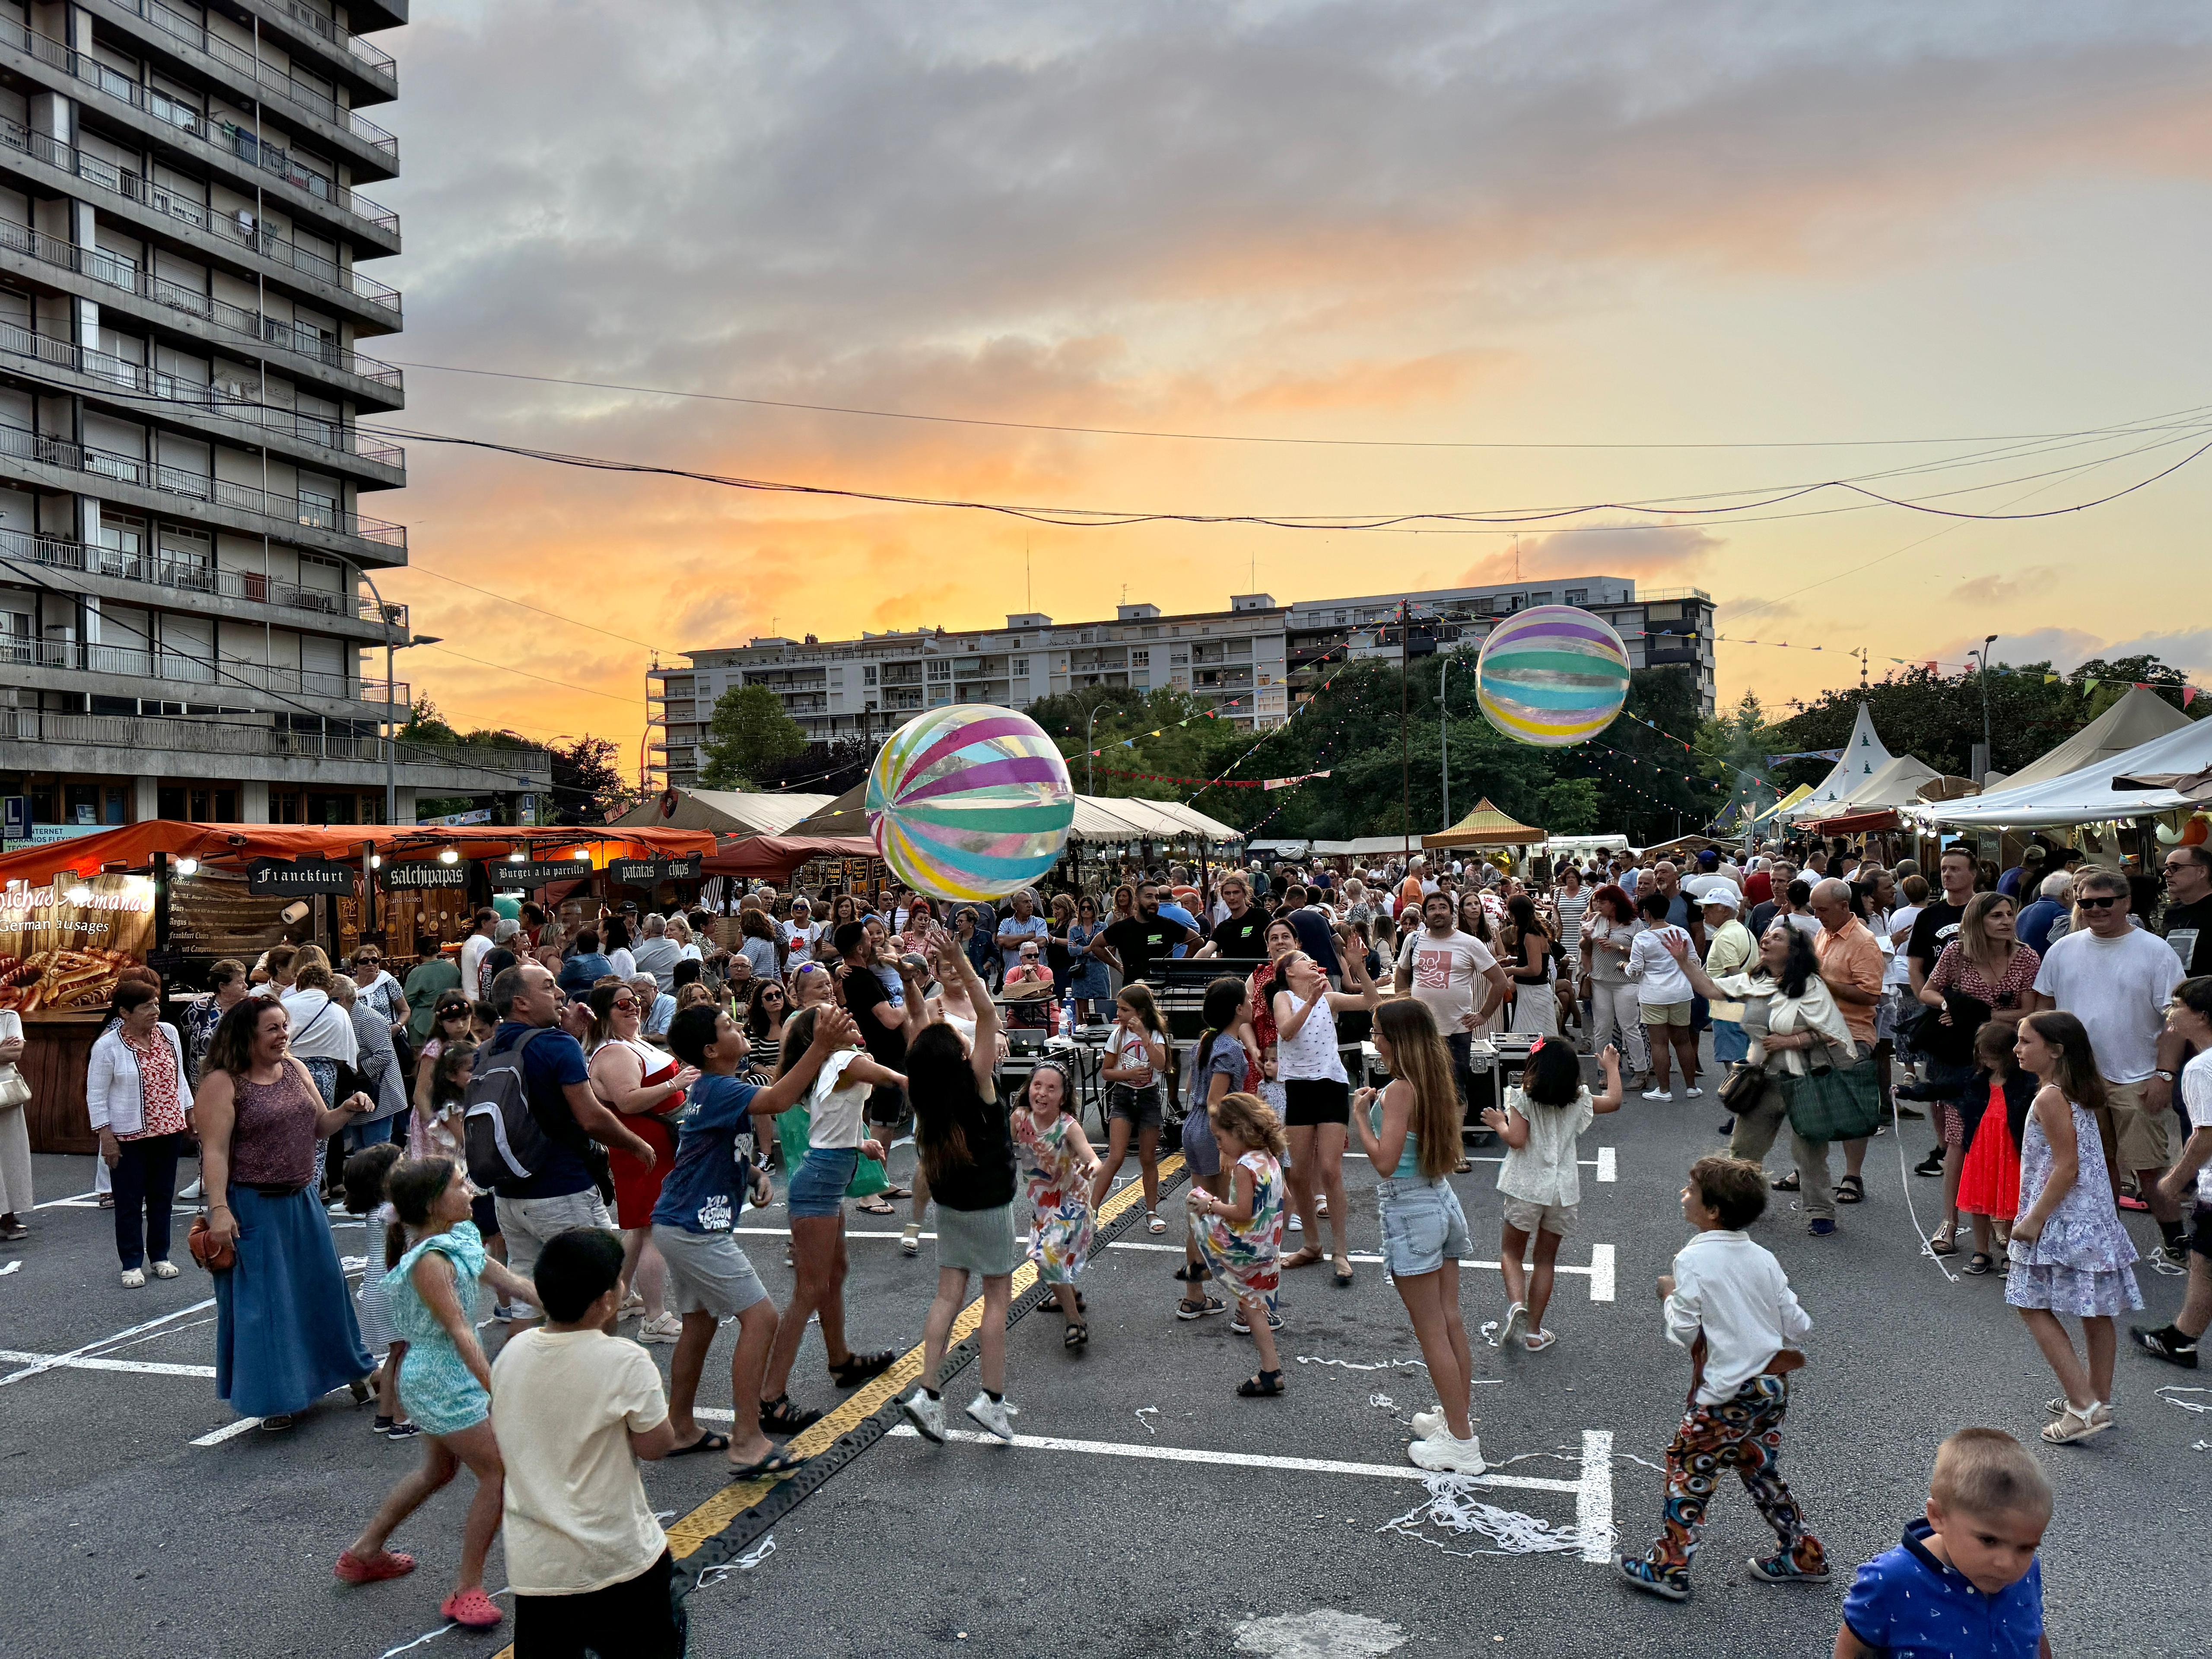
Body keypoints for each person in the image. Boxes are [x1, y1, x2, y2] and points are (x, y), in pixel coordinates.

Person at [337, 1156, 539, 1632]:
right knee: (498, 1471)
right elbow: (461, 1334)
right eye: (458, 1184)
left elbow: (511, 1283)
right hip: (439, 1377)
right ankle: (466, 1588)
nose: (470, 1190)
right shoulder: (430, 1261)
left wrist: (575, 1302)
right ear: (433, 1204)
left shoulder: (459, 1239)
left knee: (437, 1470)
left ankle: (365, 1552)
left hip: (442, 1373)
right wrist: (496, 1389)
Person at [653, 1001, 850, 1474]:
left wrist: (752, 1174)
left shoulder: (715, 1087)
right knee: (760, 1318)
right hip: (695, 1228)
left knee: (698, 1324)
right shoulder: (720, 1086)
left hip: (679, 1222)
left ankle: (680, 1426)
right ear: (710, 1049)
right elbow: (779, 1099)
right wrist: (820, 1046)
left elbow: (707, 1149)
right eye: (726, 1025)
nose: (737, 1026)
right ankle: (746, 1439)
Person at [1619, 1156, 1825, 1602]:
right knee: (1756, 1465)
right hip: (1770, 1384)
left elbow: (1682, 1331)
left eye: (1690, 1190)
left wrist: (1669, 1293)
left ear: (1712, 1211)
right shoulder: (1763, 1258)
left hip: (1726, 1391)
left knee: (1686, 1467)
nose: (1683, 1195)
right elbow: (1798, 1323)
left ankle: (1668, 1566)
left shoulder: (1692, 1259)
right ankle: (1802, 1553)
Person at [492, 1228, 687, 1659]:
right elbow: (656, 1445)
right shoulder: (625, 1361)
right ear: (605, 1302)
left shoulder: (513, 1352)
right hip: (618, 1559)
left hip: (538, 1567)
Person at [194, 997, 376, 1431]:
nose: (283, 1036)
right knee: (268, 1306)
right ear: (247, 1037)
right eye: (272, 1029)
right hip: (254, 1205)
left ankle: (350, 1371)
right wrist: (219, 1209)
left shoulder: (295, 1069)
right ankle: (278, 1397)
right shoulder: (223, 1083)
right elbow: (214, 1152)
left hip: (303, 1199)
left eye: (284, 1027)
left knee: (323, 1291)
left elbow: (320, 1126)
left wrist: (349, 1109)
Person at [899, 926, 1023, 1443]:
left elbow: (917, 1022)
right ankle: (990, 1400)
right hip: (991, 1203)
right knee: (996, 1299)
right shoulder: (977, 1081)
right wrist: (961, 963)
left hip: (949, 1203)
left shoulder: (925, 1088)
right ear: (957, 1051)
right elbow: (989, 1012)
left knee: (948, 1295)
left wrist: (910, 981)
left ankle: (928, 1394)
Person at [1349, 999, 1483, 1471]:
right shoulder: (1431, 1082)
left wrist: (1362, 1119)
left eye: (1377, 1033)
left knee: (1431, 1330)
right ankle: (1455, 1420)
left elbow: (1384, 1163)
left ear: (1397, 1040)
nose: (1374, 1040)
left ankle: (1462, 1444)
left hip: (1410, 1207)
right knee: (1450, 1322)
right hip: (1440, 1199)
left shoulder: (1400, 1090)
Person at [2032, 866, 2188, 1259]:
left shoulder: (2155, 950)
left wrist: (2165, 1076)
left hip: (2137, 1078)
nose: (2096, 910)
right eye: (2087, 903)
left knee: (2149, 1171)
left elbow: (2175, 1021)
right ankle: (2109, 1242)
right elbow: (2044, 1010)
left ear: (2126, 903)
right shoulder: (2062, 950)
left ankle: (2176, 1240)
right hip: (2076, 1078)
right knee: (2095, 1170)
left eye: (2106, 902)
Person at [760, 1001, 903, 1424]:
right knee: (809, 1289)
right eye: (833, 1015)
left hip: (825, 1182)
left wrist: (860, 1144)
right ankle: (770, 1397)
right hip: (818, 1189)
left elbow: (830, 1121)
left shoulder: (829, 1065)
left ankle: (840, 1360)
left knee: (835, 1273)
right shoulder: (842, 1059)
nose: (847, 1013)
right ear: (819, 1036)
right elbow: (890, 1078)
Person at [484, 965, 655, 1318]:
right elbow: (590, 1116)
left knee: (528, 1303)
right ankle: (595, 1371)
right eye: (549, 987)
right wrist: (635, 1144)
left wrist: (570, 1035)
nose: (561, 994)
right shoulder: (556, 1044)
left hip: (509, 1192)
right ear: (522, 1003)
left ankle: (525, 1373)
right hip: (561, 1188)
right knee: (598, 1295)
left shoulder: (487, 1049)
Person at [1666, 922, 1859, 1236]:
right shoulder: (1755, 980)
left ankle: (1821, 1212)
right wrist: (1683, 962)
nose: (1766, 940)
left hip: (1805, 1082)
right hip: (1761, 1080)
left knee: (1809, 1154)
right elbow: (1713, 990)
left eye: (1777, 938)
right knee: (1743, 1151)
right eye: (1767, 936)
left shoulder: (1811, 985)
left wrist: (1791, 1041)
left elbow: (1831, 1031)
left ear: (1793, 951)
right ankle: (1738, 1208)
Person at [2007, 1011, 2142, 1445]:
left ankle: (2082, 1407)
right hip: (2091, 1217)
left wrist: (2031, 1220)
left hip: (2061, 1218)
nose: (2017, 1049)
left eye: (2025, 1041)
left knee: (2029, 1303)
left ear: (2055, 1050)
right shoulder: (2074, 1091)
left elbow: (2066, 1167)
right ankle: (2095, 1399)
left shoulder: (2049, 1097)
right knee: (2095, 1312)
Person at [1837, 1427, 2052, 1659]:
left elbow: (2032, 1632)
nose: (2008, 1564)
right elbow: (1854, 1651)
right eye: (1989, 1540)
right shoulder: (1891, 1580)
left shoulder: (2028, 1570)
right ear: (1938, 1516)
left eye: (2027, 1547)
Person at [1481, 1037, 1623, 1351]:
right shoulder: (1580, 1100)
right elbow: (1613, 1101)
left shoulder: (1522, 1099)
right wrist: (1611, 1067)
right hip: (1563, 1191)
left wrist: (1499, 1123)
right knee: (1545, 1260)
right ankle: (1534, 1332)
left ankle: (1517, 1305)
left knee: (1511, 1253)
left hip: (1526, 1188)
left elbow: (1517, 1140)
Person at [586, 980, 698, 1346]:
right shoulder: (614, 1053)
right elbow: (629, 1100)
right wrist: (675, 1084)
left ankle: (618, 1297)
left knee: (639, 1228)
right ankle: (655, 1318)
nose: (632, 1007)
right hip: (643, 1147)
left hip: (653, 1144)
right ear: (605, 1014)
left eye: (634, 1001)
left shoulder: (632, 1042)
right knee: (652, 1229)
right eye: (622, 1005)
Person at [1271, 943, 1382, 1286]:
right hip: (1300, 1087)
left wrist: (1357, 968)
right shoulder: (1283, 999)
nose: (1312, 963)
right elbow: (1287, 1031)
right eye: (1305, 960)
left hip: (1332, 1084)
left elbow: (1371, 1002)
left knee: (1331, 1169)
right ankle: (1312, 1244)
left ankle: (1341, 1251)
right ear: (1290, 972)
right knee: (1299, 1174)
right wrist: (1313, 1000)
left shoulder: (1329, 997)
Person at [2130, 975, 2212, 1369]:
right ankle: (2181, 1338)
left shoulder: (2202, 1068)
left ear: (2203, 1016)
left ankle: (2181, 1340)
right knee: (2205, 1262)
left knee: (2205, 1263)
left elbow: (2206, 1133)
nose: (2171, 1014)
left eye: (2179, 1007)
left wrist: (2175, 1180)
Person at [88, 980, 194, 1285]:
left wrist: (190, 1112)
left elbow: (180, 1077)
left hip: (168, 1130)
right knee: (129, 1201)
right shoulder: (108, 1046)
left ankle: (160, 1256)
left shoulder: (169, 1034)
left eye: (157, 1003)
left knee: (162, 1198)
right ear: (124, 1012)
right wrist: (106, 1137)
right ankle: (132, 1262)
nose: (156, 1010)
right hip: (128, 1136)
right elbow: (95, 1095)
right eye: (147, 1006)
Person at [1186, 1090, 1290, 1397]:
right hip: (1267, 1246)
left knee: (1194, 1201)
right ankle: (1271, 1370)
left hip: (1245, 1248)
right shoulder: (1270, 1158)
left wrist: (1212, 1206)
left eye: (1220, 1138)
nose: (1219, 1145)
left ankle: (1272, 1370)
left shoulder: (1246, 1167)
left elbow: (1242, 1212)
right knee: (1253, 1306)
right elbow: (1288, 1200)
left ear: (1239, 1131)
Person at [1395, 890, 1510, 1126]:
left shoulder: (1470, 944)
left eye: (1442, 907)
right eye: (1432, 908)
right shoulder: (1413, 940)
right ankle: (1428, 1144)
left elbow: (1499, 982)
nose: (1438, 912)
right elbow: (1402, 978)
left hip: (1457, 1031)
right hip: (1421, 1031)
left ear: (1452, 912)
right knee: (1420, 1088)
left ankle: (1455, 1150)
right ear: (1425, 915)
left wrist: (1483, 1015)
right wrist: (1404, 1011)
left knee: (1456, 1089)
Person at [1804, 878, 1885, 1208]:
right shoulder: (1824, 932)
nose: (1818, 915)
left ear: (1843, 906)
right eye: (1815, 910)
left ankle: (1853, 1175)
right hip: (1816, 1030)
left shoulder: (1864, 942)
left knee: (1851, 1106)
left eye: (1823, 910)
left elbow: (1871, 995)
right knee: (1811, 1105)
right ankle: (1810, 1169)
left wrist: (1826, 983)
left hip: (1851, 1034)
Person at [1014, 1061, 1100, 1347]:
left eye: (1052, 1089)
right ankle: (1070, 1294)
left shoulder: (1068, 1126)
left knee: (1048, 1259)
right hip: (1043, 1205)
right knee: (1047, 1259)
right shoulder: (1019, 1119)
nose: (1043, 1093)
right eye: (1038, 1086)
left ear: (1062, 1097)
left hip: (1071, 1204)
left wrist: (1092, 1167)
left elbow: (1092, 1156)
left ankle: (1075, 1322)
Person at [1951, 1020, 2035, 1277]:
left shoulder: (2026, 1082)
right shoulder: (1978, 1079)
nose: (1987, 1063)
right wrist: (1910, 1092)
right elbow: (1944, 1087)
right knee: (1980, 1201)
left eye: (1993, 1058)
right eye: (1984, 1057)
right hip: (1981, 1148)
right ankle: (1981, 1251)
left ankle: (2013, 1253)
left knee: (2011, 1202)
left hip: (2009, 1148)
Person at [341, 1144, 413, 1440]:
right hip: (392, 1290)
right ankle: (402, 1418)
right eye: (402, 1164)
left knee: (396, 1353)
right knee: (407, 1352)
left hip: (375, 1289)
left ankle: (385, 1414)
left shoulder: (375, 1212)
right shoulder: (393, 1212)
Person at [1090, 984, 1170, 1233]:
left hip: (1148, 1099)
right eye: (1119, 1008)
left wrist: (1145, 1038)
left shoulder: (1156, 1036)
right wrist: (1129, 1073)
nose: (1119, 1013)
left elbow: (1162, 1065)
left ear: (1141, 1013)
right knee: (1116, 1156)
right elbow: (1106, 1072)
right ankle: (1091, 1211)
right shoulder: (1117, 1035)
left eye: (1125, 1009)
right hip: (1123, 1098)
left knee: (1148, 1158)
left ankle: (1152, 1212)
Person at [1626, 890, 1700, 1101]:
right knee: (1683, 1041)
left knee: (1659, 1043)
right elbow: (1694, 962)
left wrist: (1625, 966)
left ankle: (1664, 1090)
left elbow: (1636, 970)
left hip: (1653, 995)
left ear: (1647, 913)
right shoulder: (1682, 933)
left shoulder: (1643, 938)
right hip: (1681, 993)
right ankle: (1691, 1087)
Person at [1583, 884, 1650, 1084]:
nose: (1597, 905)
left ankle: (1640, 1070)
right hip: (1600, 980)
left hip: (1625, 982)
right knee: (1602, 1029)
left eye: (1602, 902)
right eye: (1596, 901)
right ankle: (1605, 1070)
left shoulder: (1633, 923)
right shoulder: (1596, 920)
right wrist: (1586, 938)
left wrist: (1618, 946)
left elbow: (1641, 953)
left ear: (1614, 903)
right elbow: (1585, 948)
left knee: (1629, 1026)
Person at [1099, 880, 1197, 990]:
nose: (1154, 901)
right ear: (1137, 900)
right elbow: (1096, 945)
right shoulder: (1123, 927)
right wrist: (1117, 965)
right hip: (1133, 992)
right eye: (1149, 897)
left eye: (1157, 897)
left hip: (1162, 990)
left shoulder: (1167, 925)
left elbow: (1197, 940)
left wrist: (1179, 965)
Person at [1065, 894, 1111, 1021]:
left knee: (1103, 1010)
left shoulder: (1102, 927)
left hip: (1099, 971)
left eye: (1089, 908)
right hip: (1081, 972)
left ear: (1094, 910)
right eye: (1083, 908)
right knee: (1082, 1014)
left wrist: (1081, 949)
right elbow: (1071, 951)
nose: (1086, 911)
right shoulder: (1075, 930)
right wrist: (1093, 947)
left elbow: (1102, 950)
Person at [2015, 870, 2072, 960]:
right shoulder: (2062, 915)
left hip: (2024, 966)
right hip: (2048, 968)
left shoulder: (2024, 912)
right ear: (2067, 894)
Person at [456, 909, 499, 1009]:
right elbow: (486, 975)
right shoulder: (484, 943)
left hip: (470, 998)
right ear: (484, 923)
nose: (499, 925)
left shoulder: (470, 941)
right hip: (480, 1002)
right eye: (496, 922)